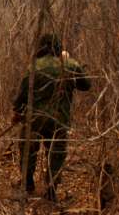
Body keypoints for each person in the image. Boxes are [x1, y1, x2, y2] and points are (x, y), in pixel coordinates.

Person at [13, 33, 91, 201]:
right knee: (56, 153)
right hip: (59, 120)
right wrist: (74, 64)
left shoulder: (33, 67)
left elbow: (21, 95)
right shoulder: (69, 64)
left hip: (35, 119)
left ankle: (27, 185)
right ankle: (51, 189)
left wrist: (17, 111)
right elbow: (86, 85)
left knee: (28, 151)